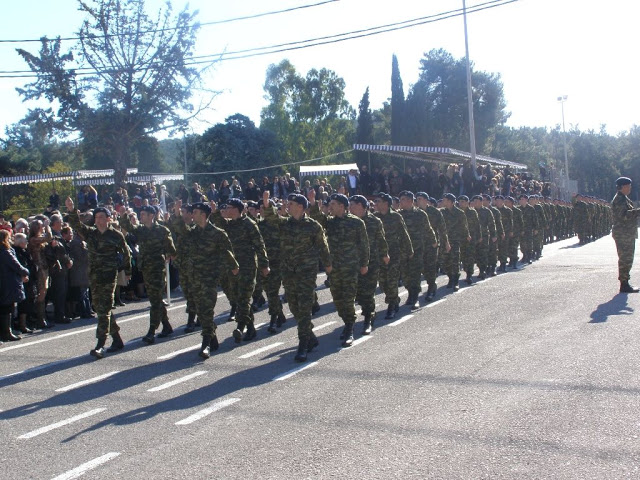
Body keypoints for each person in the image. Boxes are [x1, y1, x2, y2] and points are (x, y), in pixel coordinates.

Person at [262, 191, 332, 362]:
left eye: (291, 204)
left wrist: (329, 266)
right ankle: (311, 337)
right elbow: (272, 219)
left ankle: (303, 344)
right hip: (289, 272)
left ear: (300, 207)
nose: (287, 206)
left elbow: (323, 247)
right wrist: (266, 204)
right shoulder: (285, 224)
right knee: (293, 306)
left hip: (306, 273)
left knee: (304, 307)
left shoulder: (313, 226)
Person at [172, 201, 239, 359]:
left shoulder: (217, 233)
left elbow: (228, 252)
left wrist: (234, 268)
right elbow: (179, 228)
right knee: (201, 310)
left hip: (209, 277)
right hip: (193, 276)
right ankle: (212, 337)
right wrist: (177, 213)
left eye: (194, 212)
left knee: (206, 308)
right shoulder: (192, 232)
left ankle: (206, 342)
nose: (192, 215)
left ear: (203, 214)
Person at [66, 197, 132, 359]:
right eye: (96, 217)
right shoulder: (91, 234)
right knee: (102, 308)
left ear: (109, 219)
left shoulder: (115, 235)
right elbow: (77, 225)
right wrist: (71, 210)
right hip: (94, 275)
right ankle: (117, 339)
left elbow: (126, 253)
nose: (99, 220)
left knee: (103, 310)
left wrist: (127, 271)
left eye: (102, 217)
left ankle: (100, 343)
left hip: (109, 276)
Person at [310, 192, 369, 347]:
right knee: (338, 300)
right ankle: (346, 321)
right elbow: (317, 218)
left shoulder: (356, 223)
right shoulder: (330, 222)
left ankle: (350, 328)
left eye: (333, 205)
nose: (330, 207)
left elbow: (364, 245)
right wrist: (312, 201)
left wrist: (364, 264)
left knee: (348, 299)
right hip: (334, 268)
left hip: (350, 267)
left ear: (342, 206)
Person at [211, 198, 270, 343]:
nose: (227, 210)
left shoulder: (249, 224)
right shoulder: (229, 225)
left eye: (229, 207)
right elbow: (216, 224)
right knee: (238, 298)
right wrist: (214, 212)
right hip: (233, 267)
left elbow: (259, 245)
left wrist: (264, 265)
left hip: (248, 266)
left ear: (237, 209)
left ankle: (240, 326)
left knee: (244, 298)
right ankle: (250, 328)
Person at [119, 205, 177, 344]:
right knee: (155, 299)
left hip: (158, 269)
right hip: (146, 269)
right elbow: (128, 226)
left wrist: (170, 255)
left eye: (144, 214)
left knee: (155, 300)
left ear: (152, 215)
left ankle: (151, 331)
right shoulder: (141, 230)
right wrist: (123, 215)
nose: (141, 216)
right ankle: (167, 326)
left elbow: (171, 249)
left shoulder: (162, 230)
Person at [349, 195, 388, 334]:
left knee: (368, 292)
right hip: (353, 263)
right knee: (357, 293)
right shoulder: (349, 221)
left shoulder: (374, 221)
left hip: (371, 262)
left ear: (361, 205)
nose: (350, 207)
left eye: (353, 204)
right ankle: (361, 316)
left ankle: (368, 318)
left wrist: (385, 254)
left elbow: (381, 239)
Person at [374, 193, 413, 319]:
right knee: (383, 283)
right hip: (380, 254)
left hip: (394, 254)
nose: (376, 204)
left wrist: (409, 250)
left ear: (386, 203)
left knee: (392, 281)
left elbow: (404, 233)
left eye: (379, 201)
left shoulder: (396, 216)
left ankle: (391, 305)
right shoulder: (375, 217)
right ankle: (394, 299)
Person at [397, 191, 437, 310]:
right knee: (405, 274)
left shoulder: (420, 214)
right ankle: (410, 292)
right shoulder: (398, 215)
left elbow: (428, 229)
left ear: (410, 201)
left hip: (418, 248)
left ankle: (414, 298)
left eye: (403, 199)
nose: (401, 202)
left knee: (415, 273)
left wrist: (434, 241)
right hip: (403, 249)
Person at [611, 177, 640, 293]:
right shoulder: (619, 200)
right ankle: (624, 284)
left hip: (627, 233)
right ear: (623, 187)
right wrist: (638, 212)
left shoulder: (624, 199)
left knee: (628, 258)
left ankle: (625, 282)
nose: (630, 188)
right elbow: (623, 216)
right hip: (623, 234)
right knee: (625, 259)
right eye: (628, 186)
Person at [0, 230, 29, 343]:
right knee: (7, 308)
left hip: (4, 282)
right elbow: (16, 266)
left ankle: (6, 331)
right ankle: (7, 332)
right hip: (8, 283)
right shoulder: (5, 252)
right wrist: (26, 271)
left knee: (5, 308)